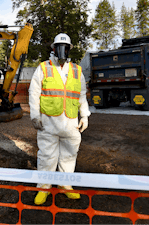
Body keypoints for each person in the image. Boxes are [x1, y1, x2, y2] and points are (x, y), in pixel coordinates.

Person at [28, 33, 91, 205]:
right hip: (48, 122)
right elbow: (34, 93)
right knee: (47, 156)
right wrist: (35, 115)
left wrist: (84, 115)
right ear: (54, 49)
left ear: (69, 49)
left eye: (65, 47)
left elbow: (81, 95)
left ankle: (65, 186)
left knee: (69, 156)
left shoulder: (77, 71)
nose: (61, 51)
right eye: (59, 47)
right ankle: (43, 188)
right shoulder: (43, 68)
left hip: (70, 122)